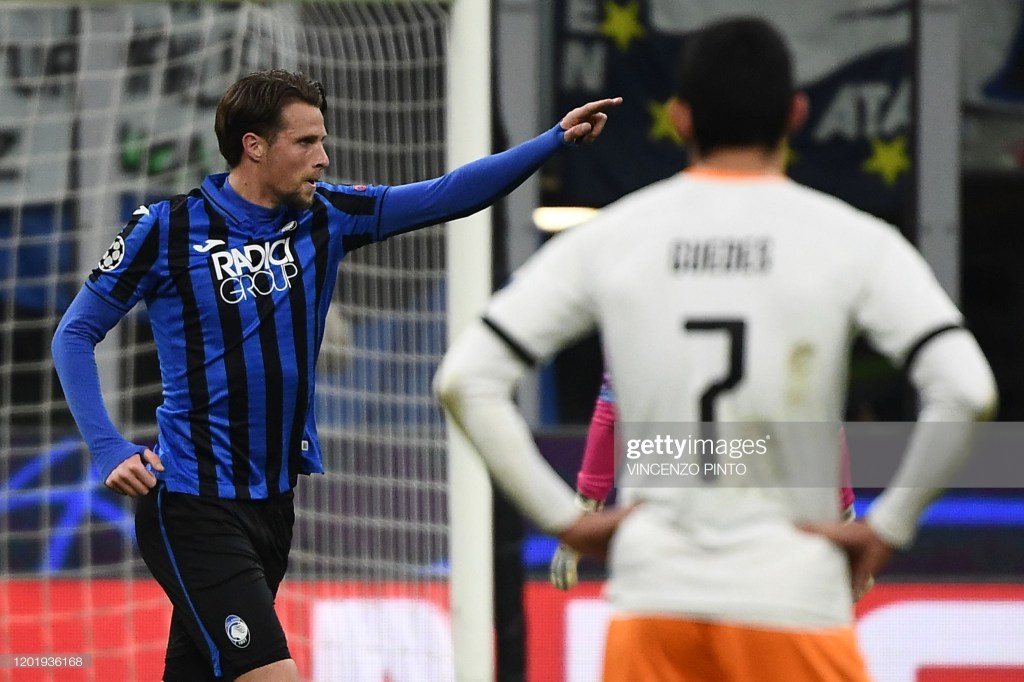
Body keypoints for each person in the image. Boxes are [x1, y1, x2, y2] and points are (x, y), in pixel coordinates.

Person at [435, 17, 997, 681]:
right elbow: (966, 390)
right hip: (792, 600)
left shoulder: (613, 238)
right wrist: (889, 526)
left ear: (679, 118)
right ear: (795, 115)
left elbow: (467, 379)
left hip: (655, 601)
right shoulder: (855, 241)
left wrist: (569, 520)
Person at [51, 69, 620, 682]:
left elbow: (448, 193)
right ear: (254, 146)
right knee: (273, 675)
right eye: (306, 142)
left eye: (322, 141)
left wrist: (553, 140)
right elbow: (74, 334)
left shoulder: (327, 215)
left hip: (273, 504)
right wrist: (107, 446)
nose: (322, 158)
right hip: (193, 502)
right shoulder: (165, 228)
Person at [549, 373, 859, 593]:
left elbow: (611, 408)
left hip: (672, 524)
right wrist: (845, 518)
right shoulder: (779, 313)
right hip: (758, 522)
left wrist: (585, 510)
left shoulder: (648, 308)